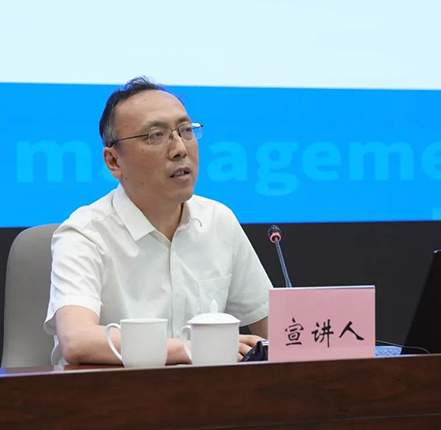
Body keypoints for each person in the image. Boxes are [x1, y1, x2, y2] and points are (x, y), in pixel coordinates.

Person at [44, 77, 272, 365]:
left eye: (186, 131)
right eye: (156, 135)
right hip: (114, 392)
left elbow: (280, 331)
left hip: (207, 392)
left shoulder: (218, 220)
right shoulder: (84, 234)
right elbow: (77, 340)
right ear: (114, 161)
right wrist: (195, 349)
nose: (180, 149)